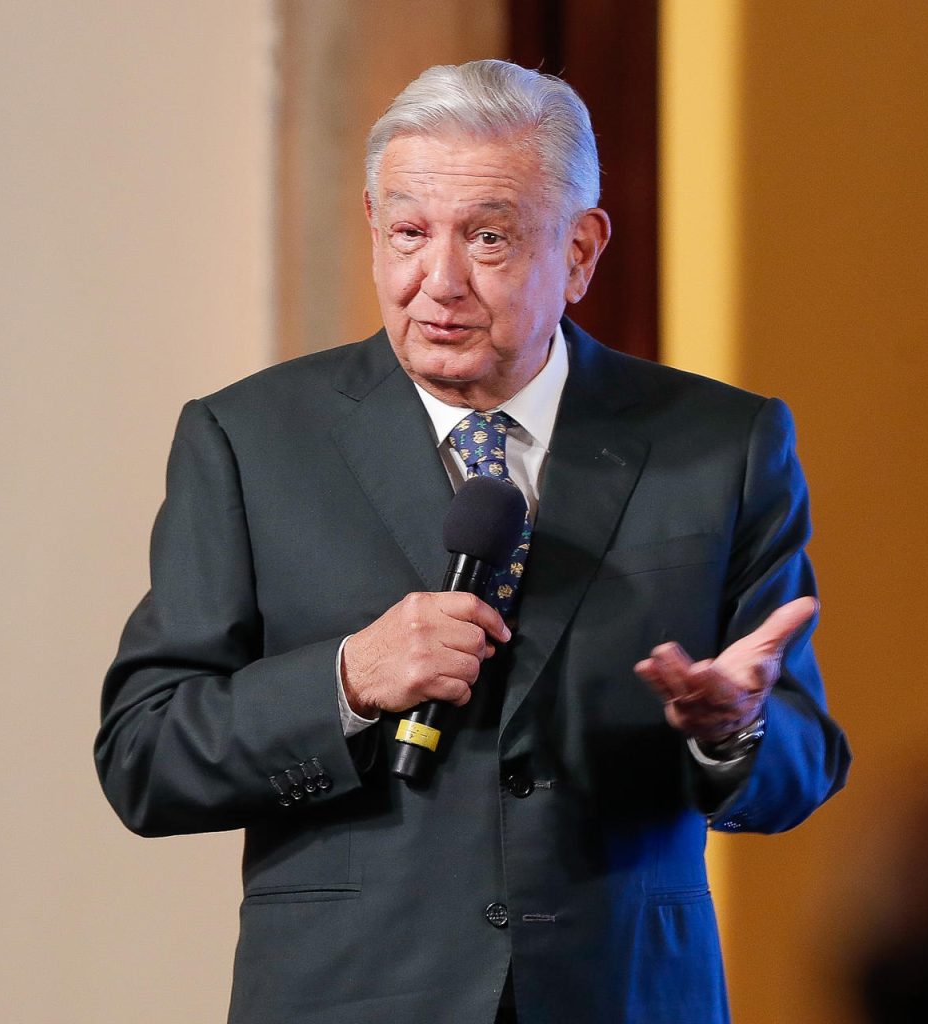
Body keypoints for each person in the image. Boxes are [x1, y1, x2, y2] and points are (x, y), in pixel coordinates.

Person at [95, 59, 850, 1024]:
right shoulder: (249, 441)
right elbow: (145, 754)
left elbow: (805, 760)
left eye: (488, 237)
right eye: (410, 233)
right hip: (347, 995)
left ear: (580, 250)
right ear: (374, 227)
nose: (437, 282)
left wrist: (734, 730)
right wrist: (347, 680)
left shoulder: (721, 445)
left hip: (620, 994)